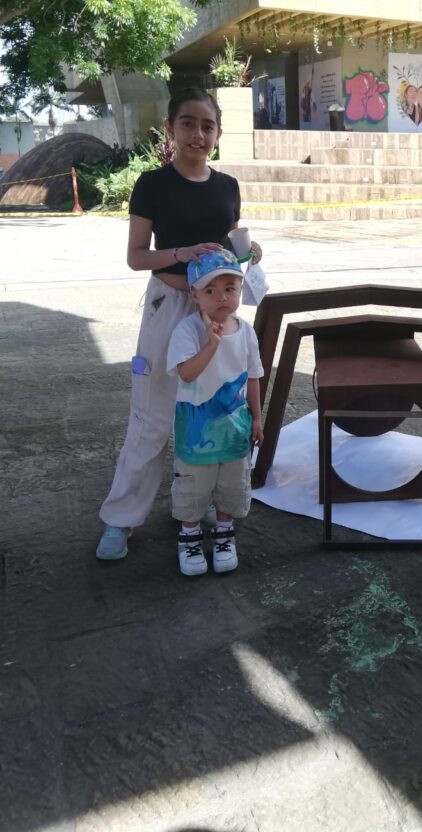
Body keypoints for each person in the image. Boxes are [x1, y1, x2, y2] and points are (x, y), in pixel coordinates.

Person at [96, 87, 262, 561]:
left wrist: (249, 255)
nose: (197, 133)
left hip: (217, 313)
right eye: (187, 123)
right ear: (171, 130)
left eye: (207, 126)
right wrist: (181, 254)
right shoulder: (152, 183)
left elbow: (229, 248)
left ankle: (196, 504)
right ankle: (121, 520)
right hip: (169, 304)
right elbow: (135, 257)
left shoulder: (227, 186)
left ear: (218, 133)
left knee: (213, 408)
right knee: (151, 417)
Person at [167, 250, 264, 576]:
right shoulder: (187, 330)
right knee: (194, 484)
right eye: (210, 290)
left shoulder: (246, 331)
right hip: (196, 430)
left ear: (239, 290)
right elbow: (187, 374)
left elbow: (253, 376)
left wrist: (257, 417)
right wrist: (211, 344)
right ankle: (189, 535)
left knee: (232, 484)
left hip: (236, 427)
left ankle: (224, 533)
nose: (221, 297)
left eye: (229, 288)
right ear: (194, 294)